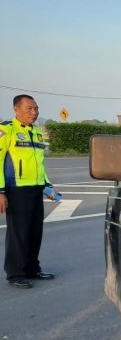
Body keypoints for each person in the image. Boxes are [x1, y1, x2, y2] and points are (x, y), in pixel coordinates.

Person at [0, 94, 57, 288]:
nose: (34, 113)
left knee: (34, 232)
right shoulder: (6, 130)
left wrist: (47, 185)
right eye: (29, 109)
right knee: (19, 233)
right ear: (16, 109)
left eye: (36, 109)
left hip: (35, 189)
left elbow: (39, 164)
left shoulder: (37, 133)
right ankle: (15, 273)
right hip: (16, 190)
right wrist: (0, 191)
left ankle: (32, 268)